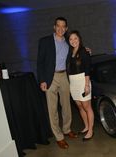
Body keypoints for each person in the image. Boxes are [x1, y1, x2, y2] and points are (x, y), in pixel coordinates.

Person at [37, 17, 77, 149]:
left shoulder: (68, 43)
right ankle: (59, 136)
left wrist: (85, 50)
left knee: (66, 105)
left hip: (64, 75)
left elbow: (76, 52)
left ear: (66, 28)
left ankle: (67, 129)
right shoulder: (45, 41)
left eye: (63, 26)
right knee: (52, 109)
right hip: (50, 77)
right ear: (54, 27)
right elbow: (40, 62)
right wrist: (42, 80)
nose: (60, 28)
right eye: (58, 26)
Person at [67, 30, 94, 141]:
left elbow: (87, 69)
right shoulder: (70, 52)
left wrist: (86, 85)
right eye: (71, 39)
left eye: (75, 38)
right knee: (80, 107)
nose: (73, 41)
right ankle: (86, 126)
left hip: (83, 81)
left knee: (87, 107)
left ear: (79, 39)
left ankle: (91, 130)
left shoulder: (84, 51)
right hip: (73, 83)